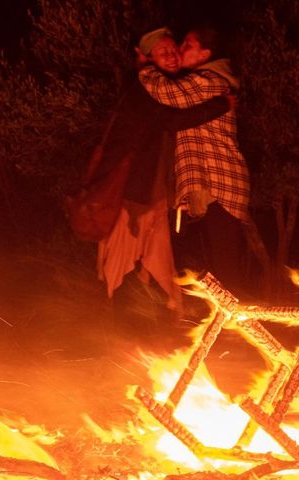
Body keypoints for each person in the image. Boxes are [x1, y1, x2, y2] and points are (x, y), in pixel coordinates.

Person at [91, 27, 233, 315]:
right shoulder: (144, 88)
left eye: (173, 49)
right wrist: (221, 104)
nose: (172, 55)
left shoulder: (163, 86)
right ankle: (106, 318)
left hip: (151, 193)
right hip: (131, 194)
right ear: (148, 58)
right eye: (163, 52)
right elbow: (172, 121)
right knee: (120, 257)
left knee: (157, 258)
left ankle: (168, 315)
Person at [137, 27, 252, 294]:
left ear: (204, 54)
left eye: (187, 45)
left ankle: (238, 319)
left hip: (221, 187)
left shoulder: (209, 81)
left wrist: (144, 67)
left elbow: (165, 91)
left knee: (227, 272)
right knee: (218, 272)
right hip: (213, 188)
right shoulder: (202, 81)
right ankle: (227, 317)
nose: (179, 49)